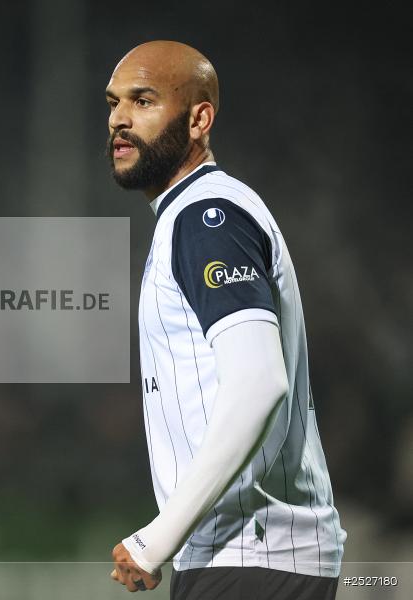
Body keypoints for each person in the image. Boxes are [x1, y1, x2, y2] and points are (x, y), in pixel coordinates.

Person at [104, 41, 346, 599]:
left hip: (251, 556)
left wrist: (157, 538)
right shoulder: (194, 214)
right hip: (251, 556)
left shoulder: (206, 217)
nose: (119, 118)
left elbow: (260, 382)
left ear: (199, 119)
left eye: (143, 101)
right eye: (114, 102)